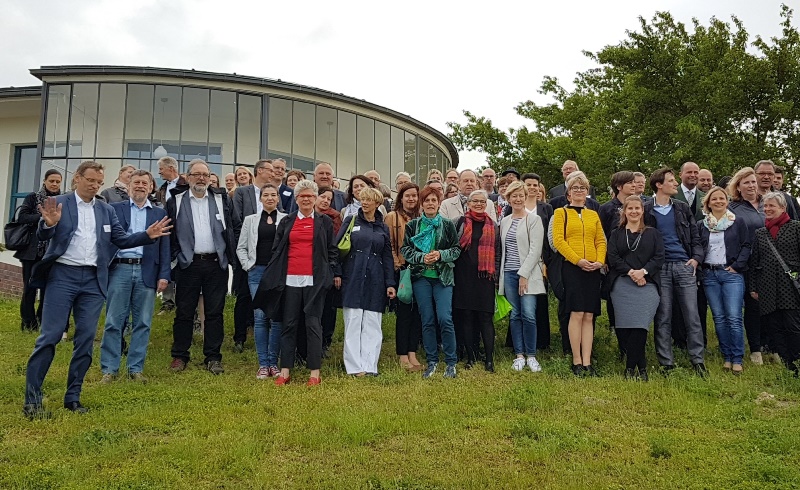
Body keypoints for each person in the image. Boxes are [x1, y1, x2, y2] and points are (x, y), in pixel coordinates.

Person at [23, 160, 171, 419]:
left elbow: (121, 239)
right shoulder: (61, 203)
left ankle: (73, 397)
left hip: (93, 281)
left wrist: (146, 235)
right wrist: (48, 224)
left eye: (99, 182)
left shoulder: (105, 209)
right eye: (90, 180)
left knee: (86, 340)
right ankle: (32, 400)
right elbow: (44, 235)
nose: (94, 186)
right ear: (77, 178)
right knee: (50, 337)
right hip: (62, 276)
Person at [254, 180, 339, 386]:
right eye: (302, 196)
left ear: (316, 197)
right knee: (289, 324)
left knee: (313, 325)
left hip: (315, 281)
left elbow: (332, 250)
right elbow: (277, 250)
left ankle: (314, 373)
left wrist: (329, 274)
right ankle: (285, 371)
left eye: (310, 195)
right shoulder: (286, 221)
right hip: (290, 279)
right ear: (296, 198)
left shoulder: (324, 222)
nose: (307, 199)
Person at [100, 170, 171, 384]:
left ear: (151, 188)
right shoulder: (114, 209)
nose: (140, 186)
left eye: (144, 183)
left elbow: (165, 247)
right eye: (136, 182)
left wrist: (164, 275)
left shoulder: (160, 213)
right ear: (128, 186)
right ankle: (109, 369)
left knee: (143, 322)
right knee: (114, 321)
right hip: (119, 269)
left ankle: (135, 369)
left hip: (147, 271)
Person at [166, 159, 235, 375]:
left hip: (216, 264)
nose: (201, 178)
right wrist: (177, 256)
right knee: (184, 312)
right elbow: (170, 231)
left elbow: (230, 227)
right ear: (187, 177)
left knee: (215, 312)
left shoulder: (220, 198)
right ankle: (180, 355)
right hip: (189, 264)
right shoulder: (176, 200)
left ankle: (213, 357)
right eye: (196, 174)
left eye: (205, 174)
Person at [644, 168, 707, 377]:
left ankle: (698, 360)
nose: (674, 184)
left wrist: (696, 259)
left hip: (684, 265)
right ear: (659, 185)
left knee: (692, 315)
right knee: (663, 316)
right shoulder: (646, 210)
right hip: (659, 268)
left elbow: (695, 237)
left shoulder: (681, 208)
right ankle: (666, 363)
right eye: (670, 181)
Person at [401, 186, 461, 379]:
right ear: (422, 203)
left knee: (445, 318)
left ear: (438, 202)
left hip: (443, 278)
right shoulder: (413, 226)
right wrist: (421, 257)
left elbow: (456, 249)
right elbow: (406, 250)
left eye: (433, 200)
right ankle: (432, 360)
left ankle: (451, 362)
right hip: (421, 279)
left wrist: (441, 254)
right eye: (426, 200)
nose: (430, 204)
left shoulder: (447, 224)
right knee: (427, 320)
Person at [336, 187, 395, 376]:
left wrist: (390, 283)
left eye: (369, 200)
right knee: (353, 320)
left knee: (372, 322)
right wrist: (337, 273)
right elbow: (337, 249)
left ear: (378, 203)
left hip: (376, 278)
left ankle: (370, 365)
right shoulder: (350, 220)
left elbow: (387, 257)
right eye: (363, 199)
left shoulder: (383, 227)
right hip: (352, 276)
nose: (365, 202)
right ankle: (354, 367)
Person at [552, 172, 606, 376]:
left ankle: (587, 360)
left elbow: (600, 240)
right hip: (573, 268)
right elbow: (559, 241)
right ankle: (576, 360)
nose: (579, 191)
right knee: (576, 313)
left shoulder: (593, 215)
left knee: (589, 315)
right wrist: (577, 260)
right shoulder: (561, 213)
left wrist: (599, 261)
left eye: (583, 188)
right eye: (575, 188)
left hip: (592, 268)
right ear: (568, 193)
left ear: (587, 192)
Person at [606, 196, 665, 381]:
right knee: (624, 327)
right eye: (629, 208)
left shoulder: (653, 233)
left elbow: (659, 257)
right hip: (622, 283)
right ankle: (641, 368)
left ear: (642, 211)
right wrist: (632, 272)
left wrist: (643, 272)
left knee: (639, 326)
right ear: (624, 211)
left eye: (637, 208)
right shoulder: (616, 233)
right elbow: (613, 257)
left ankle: (631, 368)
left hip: (647, 284)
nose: (633, 211)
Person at [698, 186, 751, 375]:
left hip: (731, 275)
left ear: (727, 201)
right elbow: (698, 248)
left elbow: (746, 246)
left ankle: (737, 358)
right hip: (710, 275)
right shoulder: (702, 225)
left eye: (722, 198)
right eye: (714, 199)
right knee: (719, 318)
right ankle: (726, 356)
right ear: (708, 203)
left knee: (734, 317)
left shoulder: (737, 222)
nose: (718, 201)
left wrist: (736, 266)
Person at [236, 183, 287, 379]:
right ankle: (263, 364)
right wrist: (248, 265)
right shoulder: (250, 220)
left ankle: (273, 363)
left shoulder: (285, 219)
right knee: (259, 317)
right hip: (256, 272)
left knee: (275, 318)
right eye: (266, 195)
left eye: (274, 195)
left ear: (278, 198)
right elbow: (241, 247)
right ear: (260, 198)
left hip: (277, 274)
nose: (270, 198)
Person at [748, 192, 800, 375]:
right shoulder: (760, 233)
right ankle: (788, 366)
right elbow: (755, 262)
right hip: (768, 286)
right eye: (765, 206)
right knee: (775, 328)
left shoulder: (795, 228)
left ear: (783, 208)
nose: (768, 209)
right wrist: (753, 287)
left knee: (793, 326)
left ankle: (797, 361)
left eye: (772, 206)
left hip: (790, 286)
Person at [499, 181, 545, 372]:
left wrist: (523, 274)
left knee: (529, 314)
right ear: (508, 199)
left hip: (527, 274)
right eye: (514, 196)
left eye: (521, 196)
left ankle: (531, 355)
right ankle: (519, 355)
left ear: (526, 198)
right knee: (515, 315)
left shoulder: (534, 220)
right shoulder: (505, 221)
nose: (518, 199)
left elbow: (535, 250)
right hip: (508, 274)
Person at [453, 190, 501, 372]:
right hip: (463, 276)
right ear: (469, 203)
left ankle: (489, 359)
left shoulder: (493, 226)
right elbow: (454, 247)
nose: (479, 204)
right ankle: (470, 357)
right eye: (475, 201)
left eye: (482, 201)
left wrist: (495, 277)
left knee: (485, 318)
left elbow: (497, 253)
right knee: (466, 316)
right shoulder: (460, 222)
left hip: (485, 278)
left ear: (487, 204)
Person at [231, 159, 275, 352]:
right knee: (243, 296)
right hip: (247, 254)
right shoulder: (242, 192)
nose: (273, 173)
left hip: (268, 257)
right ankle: (239, 337)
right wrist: (246, 252)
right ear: (259, 171)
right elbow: (236, 221)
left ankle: (267, 335)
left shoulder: (275, 193)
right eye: (269, 170)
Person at [728, 167, 767, 364]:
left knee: (768, 306)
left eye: (753, 181)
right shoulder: (733, 208)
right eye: (747, 183)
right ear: (738, 186)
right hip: (745, 263)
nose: (751, 186)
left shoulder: (767, 203)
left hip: (768, 262)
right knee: (751, 306)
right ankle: (754, 349)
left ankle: (771, 345)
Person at [15, 169, 62, 331]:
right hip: (32, 250)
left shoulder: (62, 200)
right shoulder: (33, 197)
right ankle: (28, 322)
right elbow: (22, 217)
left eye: (57, 181)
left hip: (52, 251)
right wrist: (44, 217)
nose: (55, 184)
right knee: (29, 288)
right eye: (52, 181)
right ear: (45, 181)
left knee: (48, 288)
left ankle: (42, 319)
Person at [385, 183, 423, 371]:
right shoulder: (392, 217)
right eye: (407, 195)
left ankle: (412, 353)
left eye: (414, 196)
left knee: (417, 313)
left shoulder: (422, 218)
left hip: (420, 270)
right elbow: (389, 244)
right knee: (404, 314)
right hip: (401, 270)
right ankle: (402, 355)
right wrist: (397, 264)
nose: (411, 199)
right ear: (401, 198)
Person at [155, 156, 186, 314]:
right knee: (166, 262)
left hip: (183, 232)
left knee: (182, 265)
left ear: (171, 168)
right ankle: (168, 302)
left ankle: (183, 300)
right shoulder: (161, 189)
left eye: (161, 169)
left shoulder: (186, 185)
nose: (159, 172)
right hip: (166, 230)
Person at [316, 186, 343, 354]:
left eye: (329, 199)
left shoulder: (335, 218)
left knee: (328, 309)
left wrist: (337, 272)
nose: (326, 201)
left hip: (329, 268)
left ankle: (325, 342)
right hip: (309, 269)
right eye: (323, 197)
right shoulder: (305, 215)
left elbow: (338, 247)